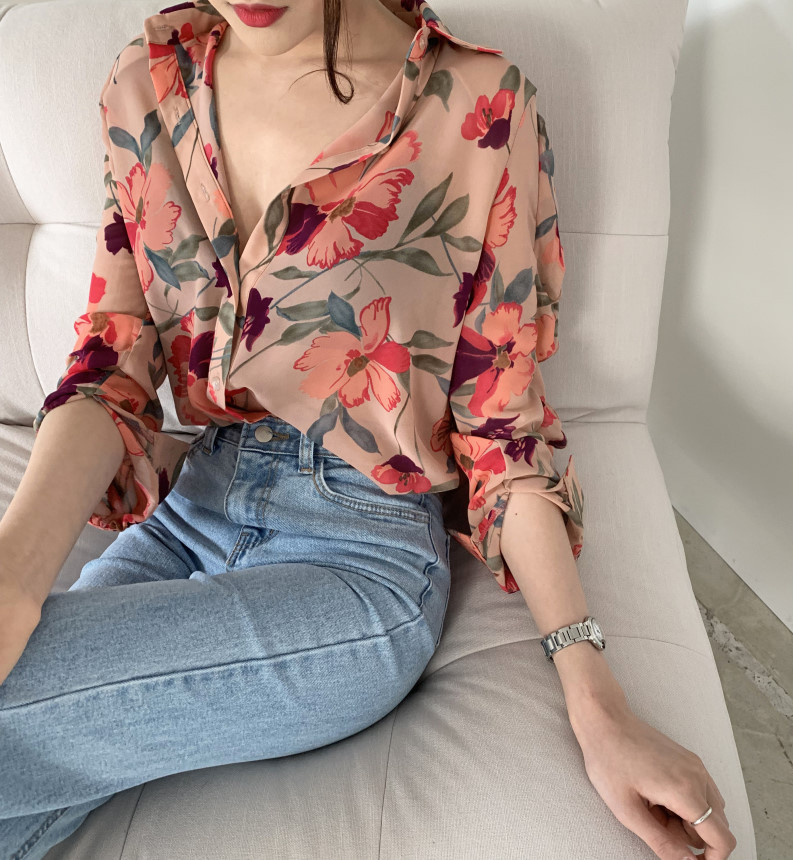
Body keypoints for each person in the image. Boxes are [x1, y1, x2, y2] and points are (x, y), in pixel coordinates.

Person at [0, 1, 737, 858]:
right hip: (189, 513)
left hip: (359, 560)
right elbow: (110, 368)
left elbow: (502, 433)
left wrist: (596, 701)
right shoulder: (149, 85)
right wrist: (16, 576)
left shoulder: (478, 108)